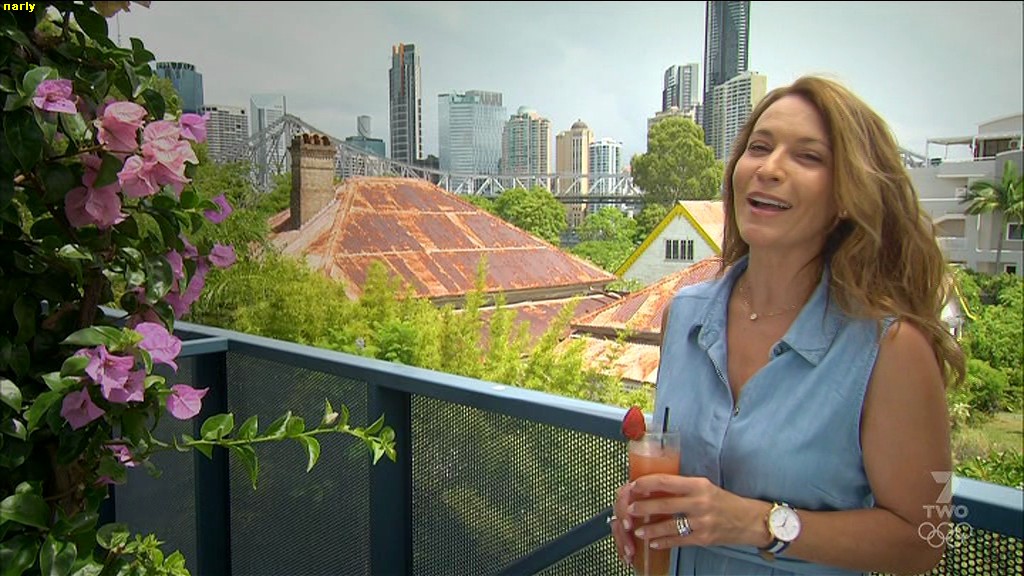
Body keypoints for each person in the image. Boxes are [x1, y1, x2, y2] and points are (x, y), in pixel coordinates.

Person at [610, 75, 965, 575]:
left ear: (847, 195)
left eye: (808, 156)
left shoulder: (892, 348)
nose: (769, 168)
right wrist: (639, 505)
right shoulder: (683, 316)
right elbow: (677, 476)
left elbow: (925, 540)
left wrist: (759, 523)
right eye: (759, 147)